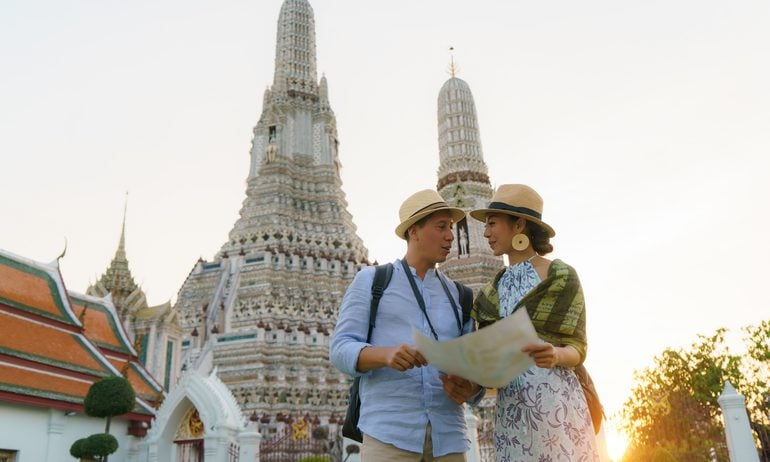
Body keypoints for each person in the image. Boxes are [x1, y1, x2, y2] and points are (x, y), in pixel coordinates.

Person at [330, 189, 484, 461]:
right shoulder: (373, 282)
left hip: (448, 436)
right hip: (390, 433)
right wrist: (385, 355)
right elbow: (340, 349)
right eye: (441, 227)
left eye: (451, 227)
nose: (450, 236)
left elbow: (472, 366)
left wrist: (470, 387)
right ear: (414, 231)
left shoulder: (460, 296)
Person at [469, 184, 600, 461]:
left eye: (492, 223)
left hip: (558, 406)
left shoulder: (560, 277)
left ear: (519, 225)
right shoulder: (491, 293)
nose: (486, 233)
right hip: (512, 413)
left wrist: (555, 355)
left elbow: (577, 348)